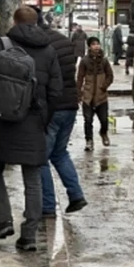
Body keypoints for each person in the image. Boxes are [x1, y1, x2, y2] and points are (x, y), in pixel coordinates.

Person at [0, 6, 63, 252]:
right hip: (34, 122)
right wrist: (43, 119)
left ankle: (4, 219)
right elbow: (56, 91)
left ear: (14, 21)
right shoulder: (48, 51)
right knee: (32, 178)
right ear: (37, 22)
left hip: (0, 120)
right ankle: (30, 234)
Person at [38, 18, 87, 217]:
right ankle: (76, 195)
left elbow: (44, 79)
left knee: (40, 158)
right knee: (59, 153)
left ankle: (47, 206)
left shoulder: (41, 45)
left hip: (53, 107)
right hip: (70, 104)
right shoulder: (64, 41)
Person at [77, 37, 114, 151]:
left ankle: (103, 133)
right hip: (88, 96)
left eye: (98, 44)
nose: (96, 46)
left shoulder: (104, 61)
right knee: (88, 120)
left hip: (101, 96)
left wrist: (104, 86)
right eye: (93, 44)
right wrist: (79, 93)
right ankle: (89, 140)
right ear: (89, 46)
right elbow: (80, 77)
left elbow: (110, 76)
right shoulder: (84, 61)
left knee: (104, 119)